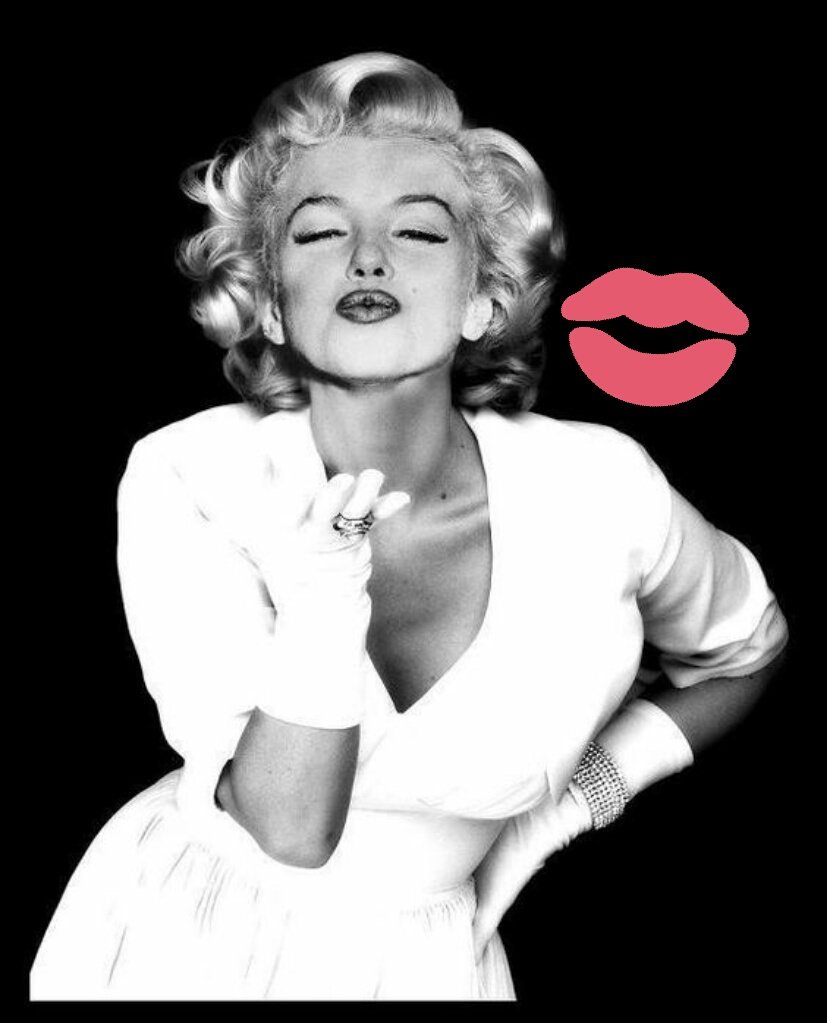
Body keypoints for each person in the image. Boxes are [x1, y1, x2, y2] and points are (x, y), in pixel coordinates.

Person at [29, 52, 789, 1001]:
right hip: (183, 936)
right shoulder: (190, 472)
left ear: (482, 299)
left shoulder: (600, 488)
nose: (367, 257)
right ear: (271, 302)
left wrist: (565, 809)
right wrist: (320, 601)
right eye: (319, 232)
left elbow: (742, 650)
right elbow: (289, 829)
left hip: (431, 966)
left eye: (419, 231)